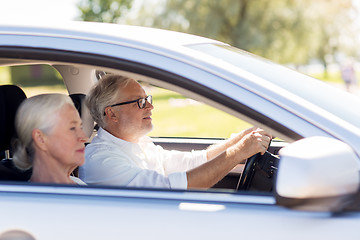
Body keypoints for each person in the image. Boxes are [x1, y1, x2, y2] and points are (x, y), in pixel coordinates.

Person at [79, 74, 272, 189]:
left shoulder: (140, 143)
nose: (150, 107)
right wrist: (238, 152)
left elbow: (193, 162)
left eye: (148, 99)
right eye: (140, 102)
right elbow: (175, 188)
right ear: (112, 113)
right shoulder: (101, 160)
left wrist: (241, 139)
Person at [12, 94, 88, 185]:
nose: (84, 138)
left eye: (81, 127)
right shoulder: (25, 198)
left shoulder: (80, 185)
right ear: (40, 139)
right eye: (72, 128)